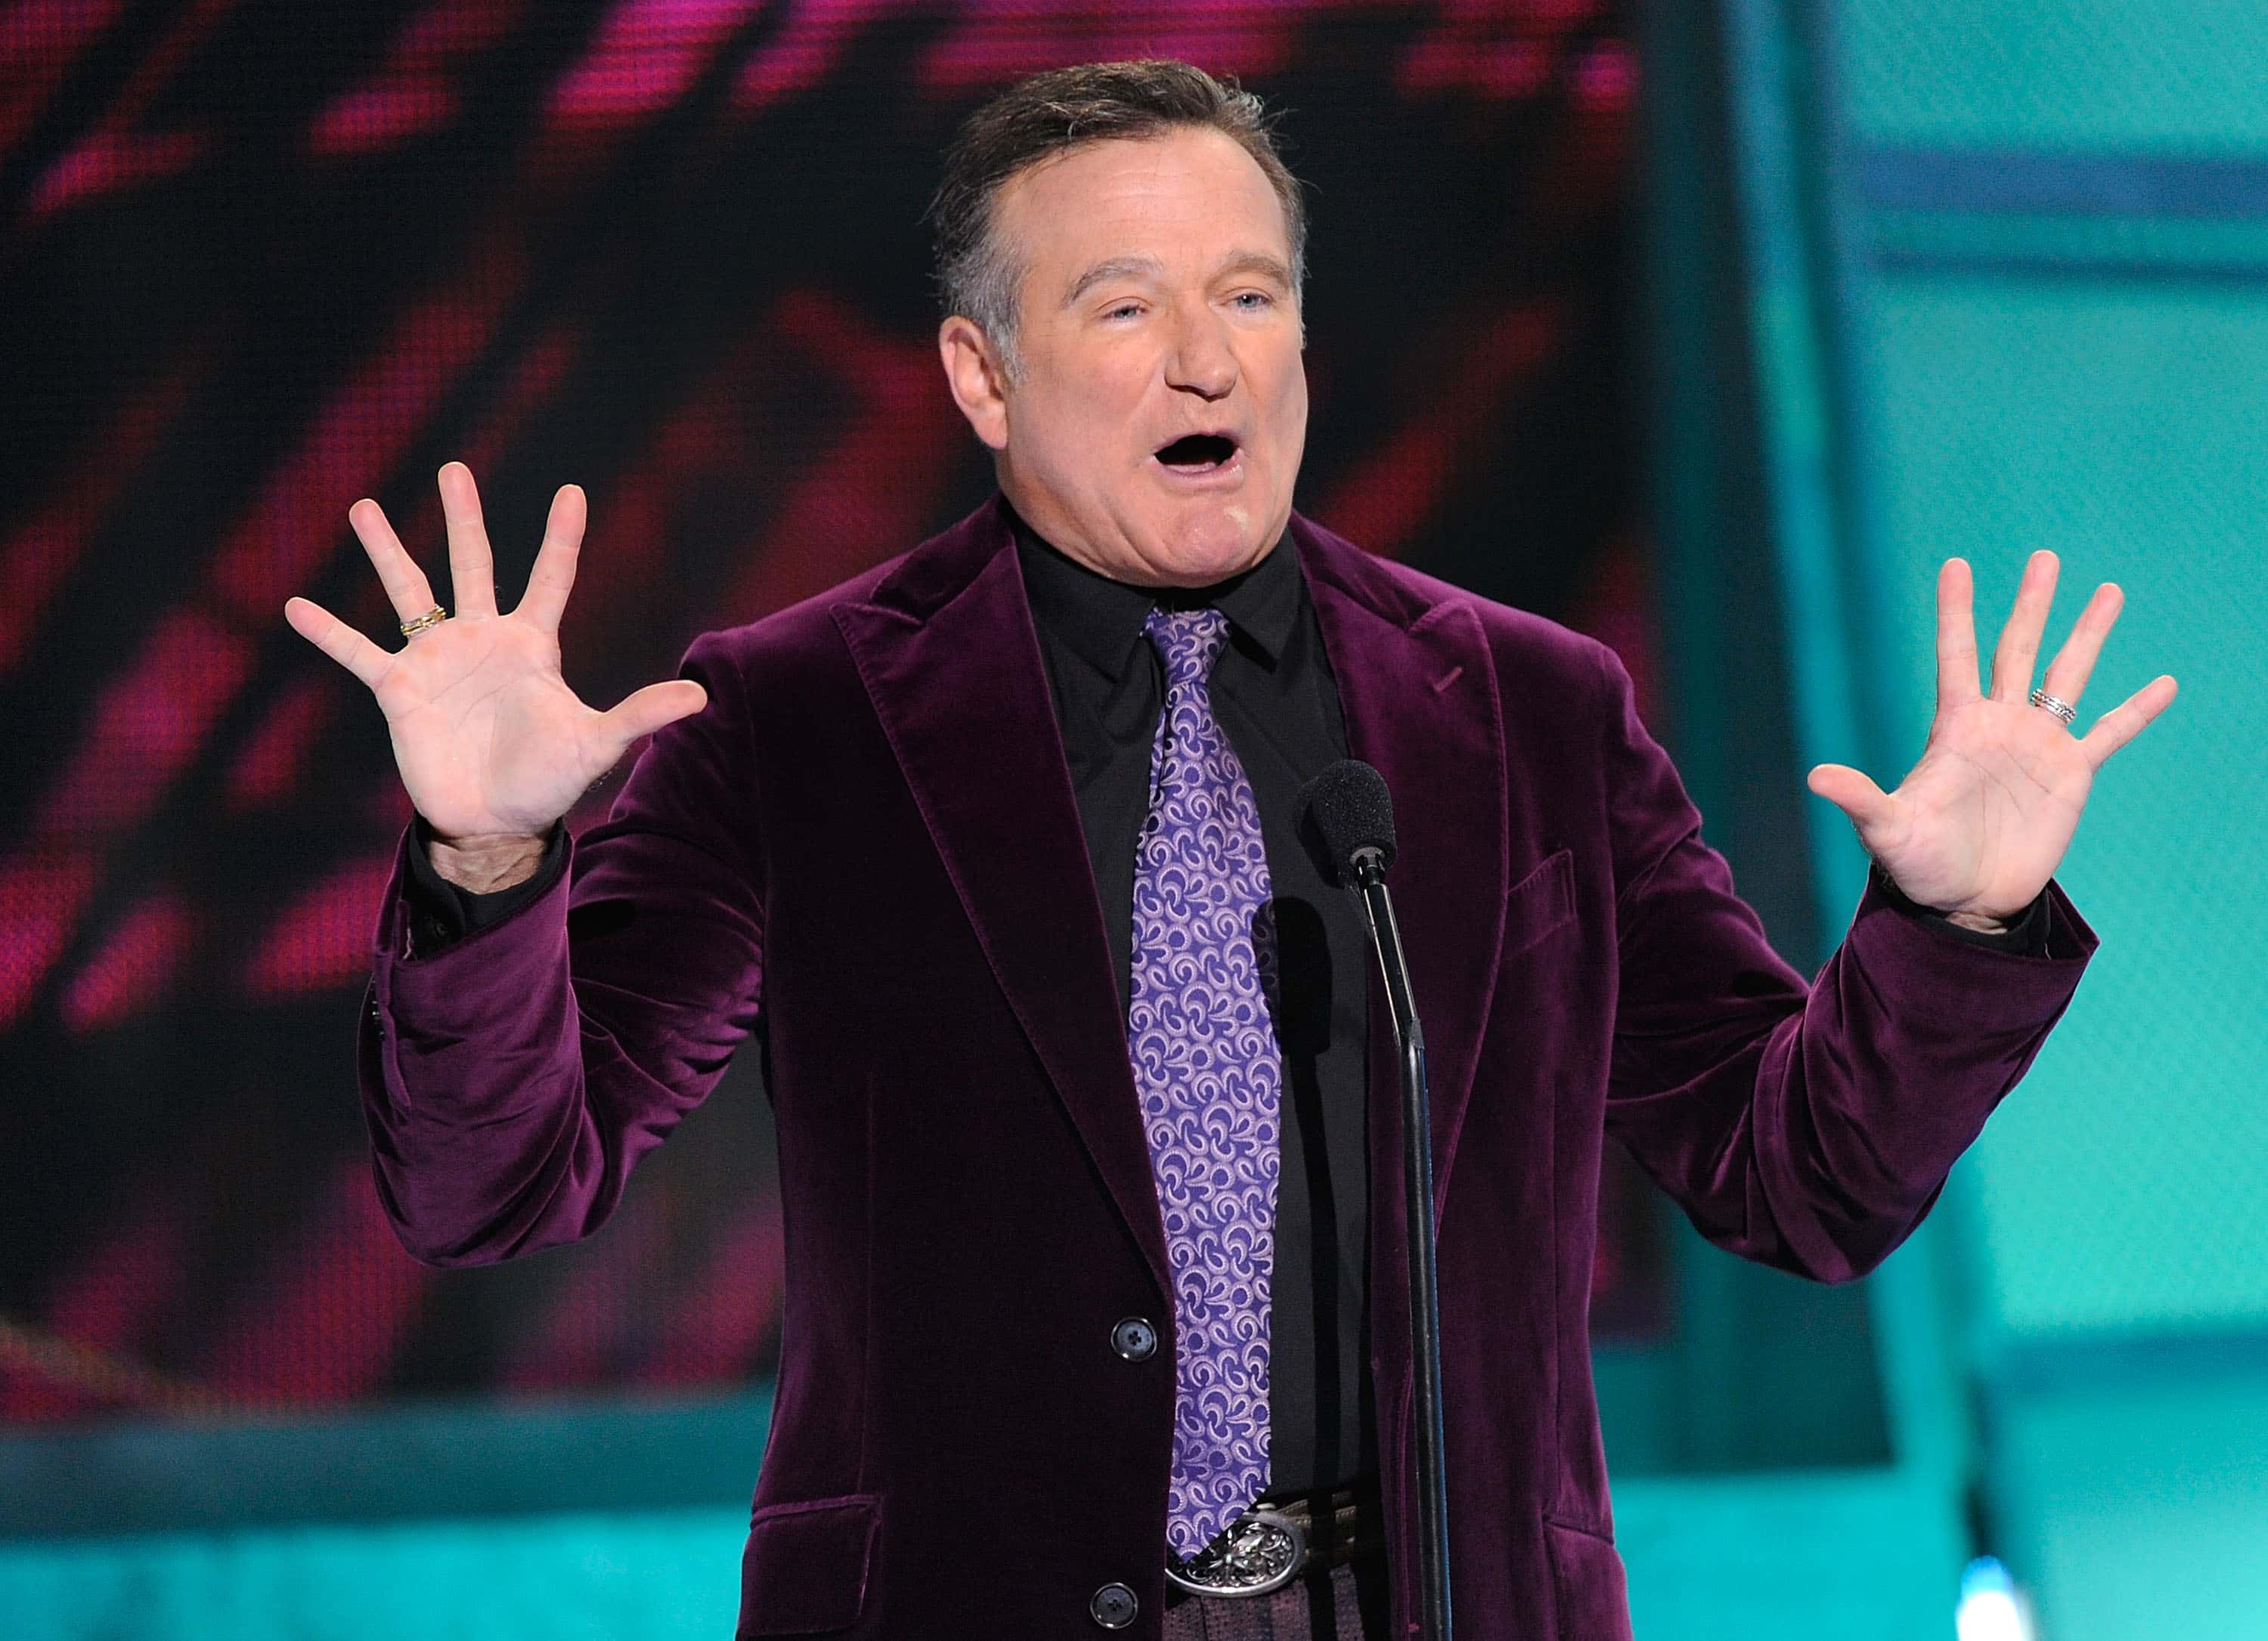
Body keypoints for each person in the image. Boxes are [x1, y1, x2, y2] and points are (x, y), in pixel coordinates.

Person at [284, 60, 2176, 1641]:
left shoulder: (1529, 711)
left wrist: (1952, 923)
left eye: (1252, 296)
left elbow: (1802, 1180)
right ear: (981, 376)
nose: (1209, 362)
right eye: (1124, 306)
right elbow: (495, 1189)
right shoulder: (796, 721)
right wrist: (486, 870)